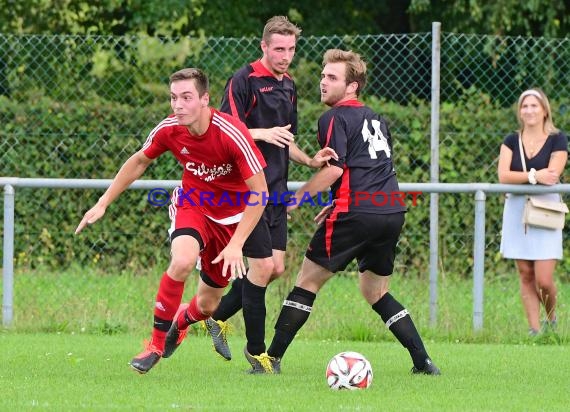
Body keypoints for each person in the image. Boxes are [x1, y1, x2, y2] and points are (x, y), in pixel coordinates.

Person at [75, 67, 274, 374]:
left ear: (205, 99)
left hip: (233, 219)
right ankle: (154, 346)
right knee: (182, 261)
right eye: (173, 98)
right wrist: (103, 202)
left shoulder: (232, 133)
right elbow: (140, 160)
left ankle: (180, 323)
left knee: (208, 306)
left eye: (186, 97)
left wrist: (236, 245)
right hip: (193, 205)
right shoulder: (169, 129)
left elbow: (260, 193)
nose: (177, 105)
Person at [257, 49, 441, 375]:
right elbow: (370, 166)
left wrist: (295, 199)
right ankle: (423, 362)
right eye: (323, 75)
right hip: (389, 211)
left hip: (356, 212)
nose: (322, 82)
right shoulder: (377, 118)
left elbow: (335, 169)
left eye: (332, 77)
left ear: (352, 86)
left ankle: (269, 361)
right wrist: (337, 198)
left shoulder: (333, 118)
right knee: (375, 291)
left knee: (307, 282)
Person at [202, 15, 337, 363]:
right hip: (248, 192)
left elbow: (285, 138)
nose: (285, 56)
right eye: (279, 49)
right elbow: (223, 131)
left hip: (277, 190)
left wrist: (309, 161)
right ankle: (257, 355)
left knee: (275, 268)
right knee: (261, 269)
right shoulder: (243, 80)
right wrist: (262, 133)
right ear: (264, 46)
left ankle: (216, 317)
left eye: (291, 49)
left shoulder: (288, 84)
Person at [498, 88, 568, 336]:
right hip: (517, 211)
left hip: (546, 211)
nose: (529, 110)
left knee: (544, 280)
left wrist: (531, 178)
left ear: (544, 110)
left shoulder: (558, 140)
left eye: (534, 106)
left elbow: (553, 175)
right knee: (525, 274)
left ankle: (551, 319)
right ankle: (534, 330)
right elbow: (503, 176)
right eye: (524, 106)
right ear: (520, 111)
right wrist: (533, 175)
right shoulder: (510, 141)